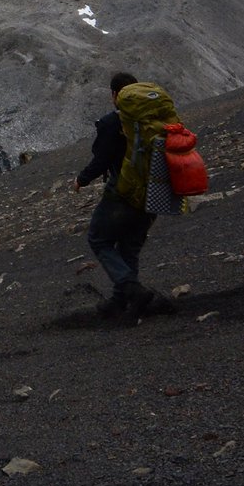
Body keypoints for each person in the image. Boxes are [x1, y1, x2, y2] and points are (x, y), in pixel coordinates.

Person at [74, 72, 175, 318]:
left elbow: (102, 159)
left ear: (115, 95)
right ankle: (122, 301)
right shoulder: (154, 120)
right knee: (130, 246)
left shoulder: (111, 123)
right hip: (155, 188)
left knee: (99, 239)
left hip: (124, 190)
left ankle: (131, 289)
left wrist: (82, 179)